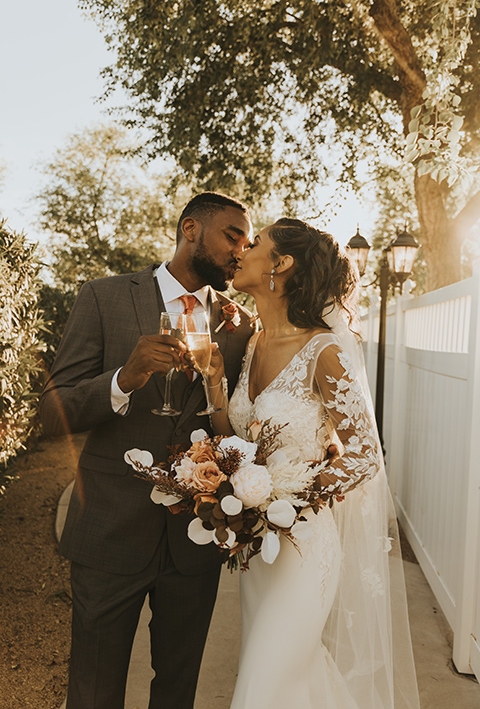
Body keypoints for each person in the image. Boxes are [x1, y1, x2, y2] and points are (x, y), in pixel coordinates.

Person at [39, 192, 255, 709]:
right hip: (109, 530)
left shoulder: (239, 325)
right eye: (232, 236)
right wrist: (123, 379)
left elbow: (240, 426)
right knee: (93, 691)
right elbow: (50, 413)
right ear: (190, 230)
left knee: (177, 693)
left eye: (248, 244)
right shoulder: (104, 297)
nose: (241, 253)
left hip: (194, 540)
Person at [207, 218, 420, 709]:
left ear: (280, 265)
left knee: (262, 687)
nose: (242, 249)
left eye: (254, 243)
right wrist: (217, 387)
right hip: (260, 550)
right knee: (289, 685)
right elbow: (237, 441)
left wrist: (287, 495)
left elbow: (365, 456)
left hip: (303, 545)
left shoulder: (323, 350)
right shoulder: (255, 343)